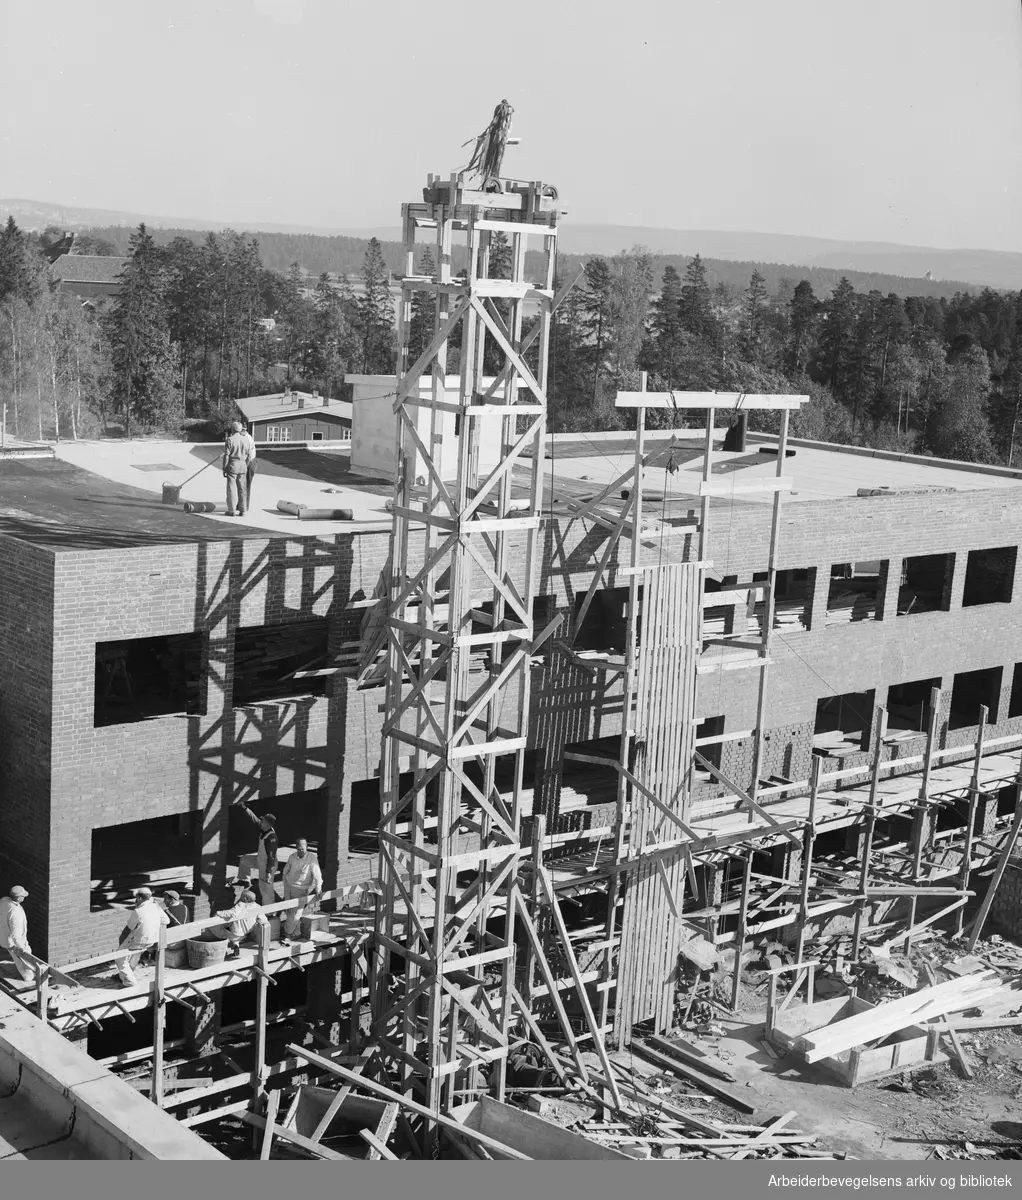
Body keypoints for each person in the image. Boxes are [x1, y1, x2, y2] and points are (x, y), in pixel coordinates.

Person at [116, 888, 169, 987]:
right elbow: (166, 921)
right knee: (136, 954)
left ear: (140, 898)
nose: (135, 900)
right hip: (152, 940)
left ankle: (129, 981)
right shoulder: (156, 907)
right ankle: (127, 974)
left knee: (119, 957)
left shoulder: (138, 911)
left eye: (136, 898)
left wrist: (121, 941)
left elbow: (129, 928)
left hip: (139, 941)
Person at [199, 890, 267, 959]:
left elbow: (233, 913)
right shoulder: (258, 907)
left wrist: (219, 913)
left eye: (241, 896)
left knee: (216, 928)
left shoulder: (241, 905)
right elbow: (263, 919)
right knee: (232, 927)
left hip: (235, 932)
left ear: (245, 899)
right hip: (246, 932)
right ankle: (235, 945)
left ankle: (221, 948)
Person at [234, 803, 279, 906]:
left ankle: (269, 912)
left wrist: (268, 872)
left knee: (266, 890)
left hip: (268, 866)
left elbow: (271, 857)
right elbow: (254, 819)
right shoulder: (265, 828)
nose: (261, 821)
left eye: (263, 820)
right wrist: (245, 808)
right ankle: (245, 880)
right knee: (244, 859)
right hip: (260, 860)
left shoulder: (271, 838)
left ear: (267, 823)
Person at [280, 838, 322, 943]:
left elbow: (317, 875)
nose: (301, 851)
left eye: (302, 849)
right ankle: (296, 933)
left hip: (301, 889)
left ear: (306, 847)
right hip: (289, 886)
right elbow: (285, 870)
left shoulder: (312, 858)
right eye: (299, 849)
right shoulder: (292, 857)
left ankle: (288, 934)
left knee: (296, 914)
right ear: (296, 848)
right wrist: (284, 881)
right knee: (289, 911)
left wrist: (318, 888)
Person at [0, 887, 34, 983]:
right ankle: (28, 977)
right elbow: (16, 934)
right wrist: (20, 948)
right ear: (18, 898)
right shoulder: (15, 913)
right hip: (14, 942)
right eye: (23, 896)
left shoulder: (4, 901)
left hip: (4, 936)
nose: (24, 897)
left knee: (21, 959)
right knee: (23, 960)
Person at [222, 421, 255, 517]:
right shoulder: (246, 440)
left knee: (231, 488)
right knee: (242, 489)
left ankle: (231, 510)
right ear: (240, 430)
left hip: (233, 465)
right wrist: (246, 464)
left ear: (232, 429)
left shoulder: (230, 439)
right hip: (243, 465)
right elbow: (249, 455)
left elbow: (227, 455)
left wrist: (224, 467)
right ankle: (243, 510)